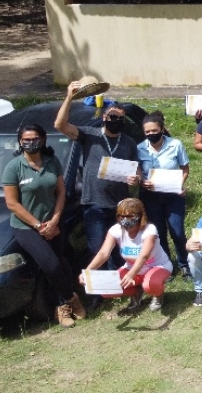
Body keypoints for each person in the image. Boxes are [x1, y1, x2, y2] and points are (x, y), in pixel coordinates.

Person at [3, 123, 85, 327]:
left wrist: (55, 220)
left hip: (54, 223)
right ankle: (71, 299)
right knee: (51, 264)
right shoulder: (14, 167)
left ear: (43, 140)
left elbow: (61, 192)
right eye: (26, 140)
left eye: (35, 139)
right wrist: (39, 226)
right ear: (20, 142)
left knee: (61, 263)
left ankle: (61, 307)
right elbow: (12, 203)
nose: (31, 143)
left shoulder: (52, 161)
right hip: (26, 227)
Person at [55, 81, 140, 275]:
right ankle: (98, 291)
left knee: (119, 248)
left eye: (121, 118)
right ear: (104, 117)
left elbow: (137, 171)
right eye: (112, 117)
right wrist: (69, 97)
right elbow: (60, 125)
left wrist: (135, 179)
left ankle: (119, 283)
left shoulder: (128, 142)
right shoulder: (89, 135)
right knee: (96, 248)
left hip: (120, 206)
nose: (116, 120)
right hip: (94, 203)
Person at [80, 198, 173, 314]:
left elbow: (144, 256)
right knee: (106, 288)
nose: (124, 220)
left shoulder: (149, 230)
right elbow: (104, 253)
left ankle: (158, 294)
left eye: (129, 216)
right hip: (131, 268)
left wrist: (131, 275)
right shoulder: (115, 231)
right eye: (121, 216)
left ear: (139, 215)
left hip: (157, 266)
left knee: (150, 284)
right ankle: (136, 291)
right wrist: (88, 271)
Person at [137, 111, 190, 277]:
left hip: (173, 196)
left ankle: (184, 263)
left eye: (154, 130)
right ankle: (167, 266)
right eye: (148, 132)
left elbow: (185, 169)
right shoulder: (139, 149)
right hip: (151, 197)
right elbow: (137, 170)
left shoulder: (176, 144)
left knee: (178, 232)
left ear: (161, 129)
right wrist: (141, 181)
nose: (151, 134)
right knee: (159, 232)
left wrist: (179, 183)